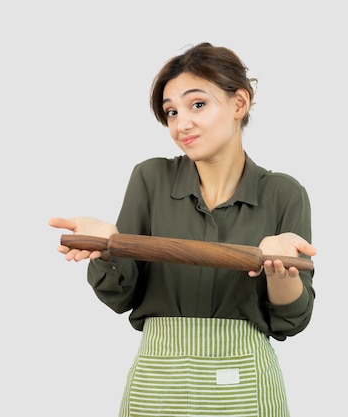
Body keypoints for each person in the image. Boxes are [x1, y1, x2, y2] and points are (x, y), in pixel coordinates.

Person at [48, 42, 316, 417]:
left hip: (244, 380)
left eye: (198, 105)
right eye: (171, 111)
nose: (181, 124)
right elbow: (119, 297)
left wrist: (280, 269)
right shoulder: (150, 178)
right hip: (159, 380)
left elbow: (291, 319)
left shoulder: (284, 193)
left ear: (239, 104)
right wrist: (110, 246)